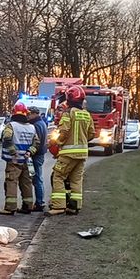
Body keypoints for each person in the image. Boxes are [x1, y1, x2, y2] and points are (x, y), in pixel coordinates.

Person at [48, 85, 94, 216]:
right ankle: (74, 206)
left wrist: (57, 142)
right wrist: (82, 140)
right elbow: (91, 133)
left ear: (69, 99)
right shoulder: (86, 114)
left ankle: (58, 206)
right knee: (76, 180)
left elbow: (64, 131)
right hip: (82, 154)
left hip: (68, 153)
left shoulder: (68, 113)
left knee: (58, 176)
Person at [0, 102, 37, 215]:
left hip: (14, 161)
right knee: (27, 183)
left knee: (11, 182)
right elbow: (36, 142)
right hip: (27, 160)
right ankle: (28, 205)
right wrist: (30, 152)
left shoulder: (11, 125)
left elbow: (6, 138)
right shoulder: (32, 127)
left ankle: (10, 208)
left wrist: (13, 152)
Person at [27, 106, 49, 212]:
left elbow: (37, 142)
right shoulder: (41, 123)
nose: (28, 116)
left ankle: (39, 202)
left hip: (36, 156)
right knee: (36, 178)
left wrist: (30, 152)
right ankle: (39, 201)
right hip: (39, 155)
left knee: (36, 178)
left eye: (29, 113)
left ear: (34, 114)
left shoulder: (36, 125)